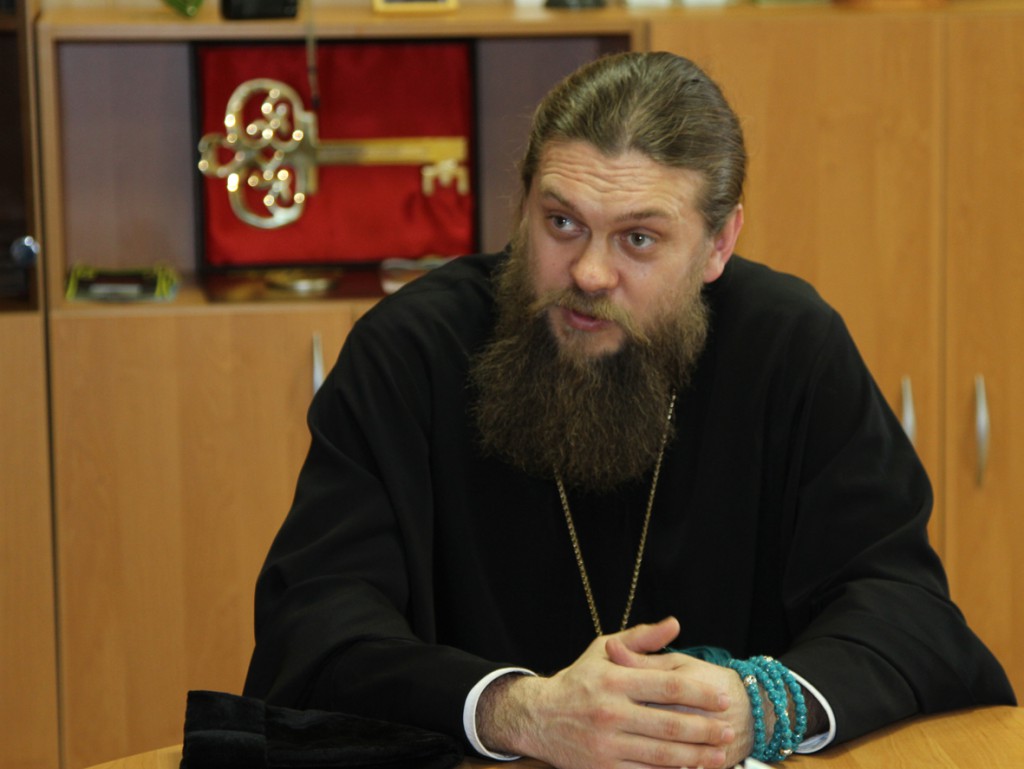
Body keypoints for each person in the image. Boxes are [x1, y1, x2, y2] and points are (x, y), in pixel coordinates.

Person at [242, 51, 1015, 769]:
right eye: (562, 223)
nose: (588, 272)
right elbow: (312, 628)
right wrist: (518, 710)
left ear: (719, 244)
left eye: (638, 238)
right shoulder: (410, 353)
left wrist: (758, 706)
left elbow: (904, 608)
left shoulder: (790, 347)